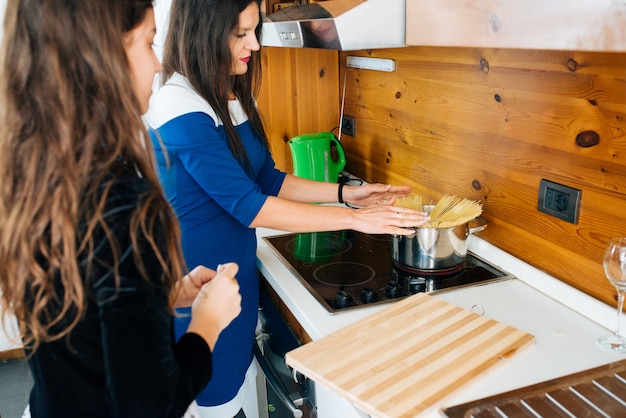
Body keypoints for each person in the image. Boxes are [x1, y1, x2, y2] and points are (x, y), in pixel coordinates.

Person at [147, 1, 429, 416]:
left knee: (229, 394)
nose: (255, 46)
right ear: (202, 34)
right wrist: (355, 220)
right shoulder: (177, 103)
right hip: (195, 283)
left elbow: (266, 179)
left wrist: (346, 194)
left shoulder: (227, 90)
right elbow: (249, 206)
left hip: (231, 277)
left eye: (254, 31)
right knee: (205, 398)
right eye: (240, 34)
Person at [0, 1, 242, 417]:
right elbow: (153, 404)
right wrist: (208, 320)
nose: (158, 61)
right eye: (148, 42)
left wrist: (163, 294)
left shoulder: (38, 176)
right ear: (101, 54)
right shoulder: (124, 201)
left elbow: (84, 315)